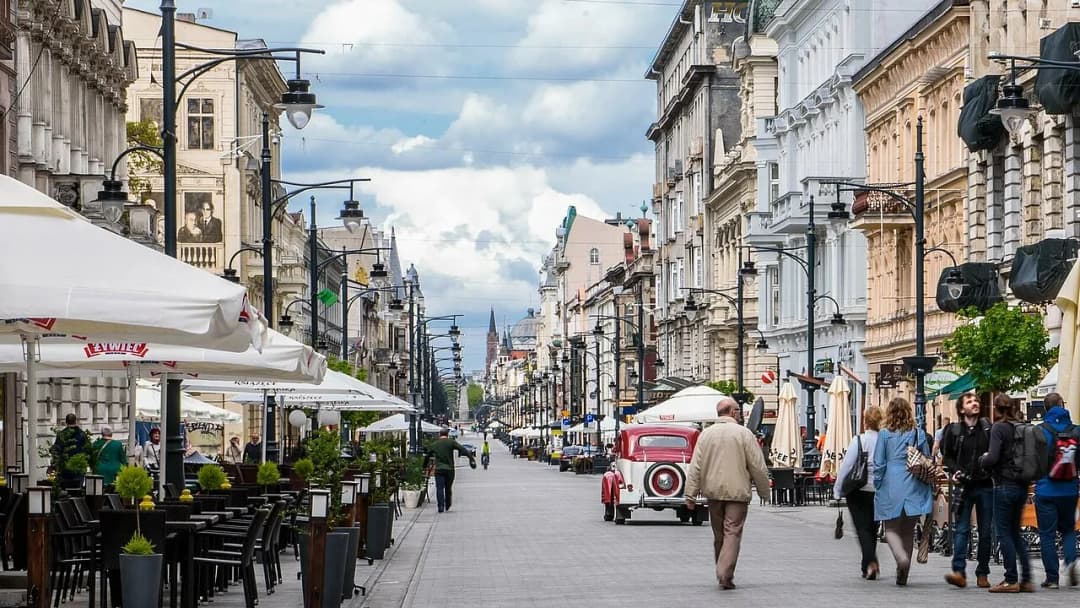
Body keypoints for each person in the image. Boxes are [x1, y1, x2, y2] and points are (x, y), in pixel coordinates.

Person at [684, 397, 770, 590]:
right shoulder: (744, 434)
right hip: (737, 493)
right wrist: (765, 491)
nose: (740, 414)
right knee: (732, 531)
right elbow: (757, 466)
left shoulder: (705, 435)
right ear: (732, 412)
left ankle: (722, 570)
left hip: (713, 492)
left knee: (719, 534)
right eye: (738, 410)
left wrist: (690, 495)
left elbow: (695, 467)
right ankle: (725, 573)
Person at [873, 397, 933, 586]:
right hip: (914, 483)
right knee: (908, 530)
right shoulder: (918, 433)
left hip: (891, 483)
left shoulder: (884, 434)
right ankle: (904, 571)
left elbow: (879, 463)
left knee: (890, 527)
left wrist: (877, 483)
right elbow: (927, 458)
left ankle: (901, 558)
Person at [978, 394, 1035, 593]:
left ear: (996, 408)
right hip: (1022, 485)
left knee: (1004, 533)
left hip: (1003, 485)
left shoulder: (998, 428)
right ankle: (1027, 578)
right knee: (1015, 532)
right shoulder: (1021, 427)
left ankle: (1011, 579)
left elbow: (992, 457)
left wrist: (982, 459)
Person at [941, 392, 994, 589]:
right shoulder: (953, 430)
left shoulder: (988, 428)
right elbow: (947, 457)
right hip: (963, 486)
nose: (975, 404)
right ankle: (959, 572)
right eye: (970, 402)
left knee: (985, 531)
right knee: (961, 530)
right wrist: (955, 471)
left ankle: (982, 572)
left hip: (985, 485)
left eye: (976, 401)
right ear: (962, 409)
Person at [1033, 392, 1078, 589]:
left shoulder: (1040, 431)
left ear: (1045, 408)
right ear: (1062, 404)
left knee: (1047, 534)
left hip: (1046, 490)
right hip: (1070, 489)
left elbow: (1033, 461)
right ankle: (1070, 561)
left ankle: (1052, 578)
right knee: (1068, 529)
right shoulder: (1076, 431)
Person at [833, 405, 883, 580]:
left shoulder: (859, 440)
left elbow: (846, 466)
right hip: (879, 491)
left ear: (865, 421)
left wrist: (837, 490)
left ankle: (870, 563)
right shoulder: (885, 440)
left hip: (859, 491)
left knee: (862, 529)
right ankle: (867, 565)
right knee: (872, 528)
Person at [424, 428, 476, 513]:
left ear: (439, 435)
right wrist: (471, 458)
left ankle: (440, 506)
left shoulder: (435, 444)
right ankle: (447, 504)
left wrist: (424, 466)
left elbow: (427, 455)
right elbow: (462, 449)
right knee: (448, 488)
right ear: (447, 435)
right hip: (450, 469)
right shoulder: (451, 442)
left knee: (439, 488)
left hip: (439, 469)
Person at [52, 413, 90, 490]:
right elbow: (87, 450)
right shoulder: (82, 434)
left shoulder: (61, 434)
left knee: (65, 489)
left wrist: (55, 465)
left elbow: (56, 450)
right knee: (77, 489)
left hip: (65, 468)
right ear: (76, 421)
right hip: (79, 466)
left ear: (66, 422)